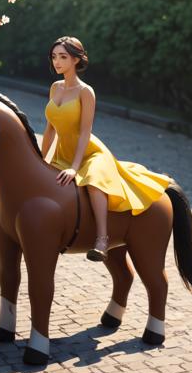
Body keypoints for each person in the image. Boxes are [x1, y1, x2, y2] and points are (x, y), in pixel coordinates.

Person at [42, 36, 171, 262]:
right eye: (54, 57)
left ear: (75, 60)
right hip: (63, 153)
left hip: (91, 153)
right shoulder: (55, 88)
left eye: (63, 57)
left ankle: (102, 239)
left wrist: (74, 167)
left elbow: (84, 132)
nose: (57, 62)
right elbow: (50, 129)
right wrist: (42, 159)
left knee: (93, 182)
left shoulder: (86, 92)